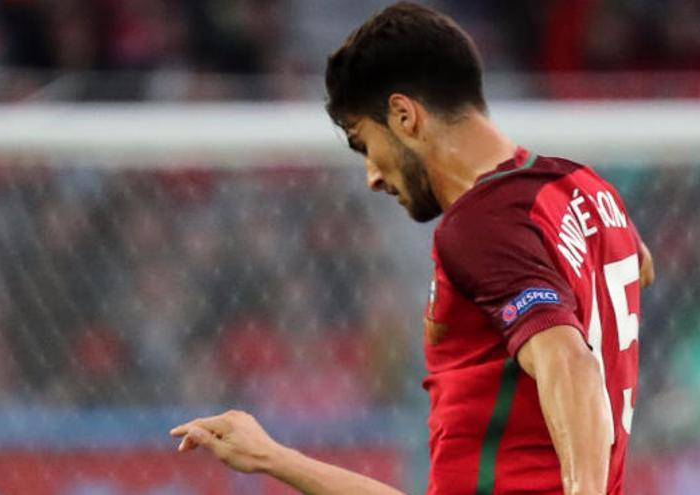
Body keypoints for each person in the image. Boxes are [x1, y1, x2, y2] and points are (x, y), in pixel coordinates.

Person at [170, 2, 655, 494]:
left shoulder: (481, 226)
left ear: (404, 115)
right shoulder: (587, 190)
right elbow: (639, 265)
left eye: (364, 144)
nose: (373, 177)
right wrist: (273, 458)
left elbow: (568, 361)